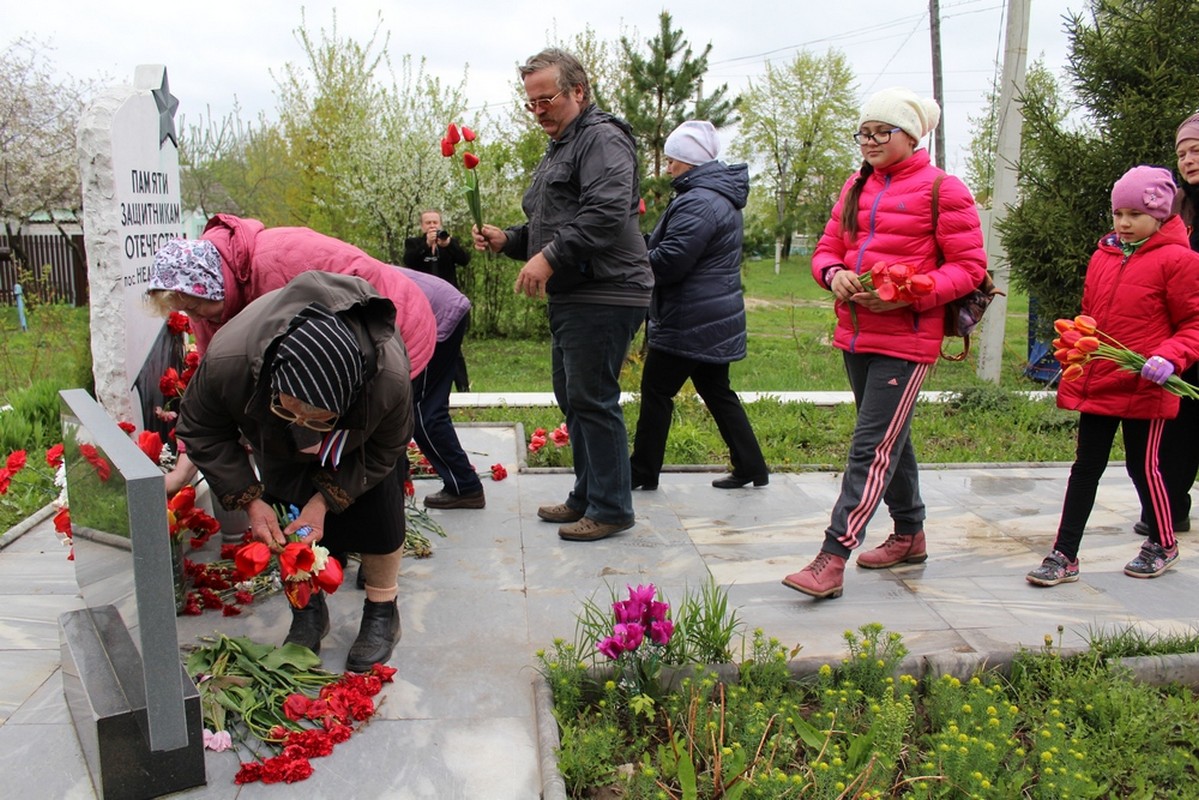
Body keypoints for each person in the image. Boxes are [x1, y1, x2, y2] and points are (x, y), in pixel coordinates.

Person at [780, 87, 987, 600]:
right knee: (892, 438)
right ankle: (910, 533)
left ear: (910, 137)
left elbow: (969, 269)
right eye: (864, 132)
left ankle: (832, 556)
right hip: (856, 331)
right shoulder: (855, 186)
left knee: (871, 446)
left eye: (880, 132)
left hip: (907, 338)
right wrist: (832, 275)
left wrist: (911, 297)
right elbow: (829, 248)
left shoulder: (945, 190)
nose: (869, 141)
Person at [176, 271, 411, 672]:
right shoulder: (229, 362)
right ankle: (307, 612)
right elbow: (201, 429)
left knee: (379, 511)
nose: (303, 429)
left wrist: (323, 501)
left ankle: (382, 610)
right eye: (289, 410)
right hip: (272, 440)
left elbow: (384, 450)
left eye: (316, 420)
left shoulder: (387, 381)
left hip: (359, 443)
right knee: (286, 516)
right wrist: (250, 499)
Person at [473, 47, 653, 542]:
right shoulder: (563, 145)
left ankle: (613, 507)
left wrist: (549, 258)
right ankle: (587, 495)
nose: (538, 111)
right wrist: (511, 240)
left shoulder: (602, 138)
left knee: (593, 398)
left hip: (607, 288)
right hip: (578, 291)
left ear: (578, 91)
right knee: (574, 398)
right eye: (530, 102)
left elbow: (605, 211)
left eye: (546, 99)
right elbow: (550, 223)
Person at [146, 214, 437, 493]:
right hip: (330, 342)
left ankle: (378, 511)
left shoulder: (279, 263)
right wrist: (183, 470)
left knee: (360, 427)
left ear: (212, 285)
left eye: (195, 308)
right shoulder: (212, 309)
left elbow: (321, 366)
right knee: (301, 427)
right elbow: (210, 391)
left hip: (387, 326)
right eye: (187, 312)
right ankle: (322, 510)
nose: (194, 317)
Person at [1026, 166, 1199, 587]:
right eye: (1118, 213)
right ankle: (1064, 554)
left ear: (1159, 215)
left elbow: (1193, 323)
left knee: (1145, 467)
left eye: (1134, 215)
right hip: (1101, 377)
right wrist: (1077, 346)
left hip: (1147, 383)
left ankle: (1163, 541)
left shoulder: (1180, 261)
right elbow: (1091, 316)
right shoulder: (1103, 256)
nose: (1122, 223)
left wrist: (1170, 358)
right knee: (1086, 467)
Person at [628, 120, 768, 492]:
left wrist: (636, 258)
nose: (669, 166)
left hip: (689, 317)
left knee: (656, 391)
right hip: (712, 314)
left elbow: (672, 261)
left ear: (688, 160)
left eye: (673, 159)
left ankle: (641, 471)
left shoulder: (699, 200)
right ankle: (752, 464)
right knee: (717, 391)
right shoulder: (712, 195)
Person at [1132, 113, 1199, 539]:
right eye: (1181, 153)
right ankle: (1170, 509)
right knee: (1179, 426)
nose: (1188, 160)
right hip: (1185, 333)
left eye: (1196, 150)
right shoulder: (1174, 207)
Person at [399, 266, 485, 509]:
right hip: (441, 304)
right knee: (410, 402)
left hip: (435, 314)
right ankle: (399, 474)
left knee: (423, 410)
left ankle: (465, 486)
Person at [403, 209, 472, 392]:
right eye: (428, 223)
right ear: (422, 226)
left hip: (448, 304)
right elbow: (408, 261)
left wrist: (448, 244)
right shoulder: (414, 243)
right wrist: (426, 245)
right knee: (422, 343)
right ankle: (421, 386)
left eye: (435, 222)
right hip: (423, 303)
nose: (432, 226)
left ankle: (463, 388)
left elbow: (465, 259)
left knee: (453, 345)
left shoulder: (448, 243)